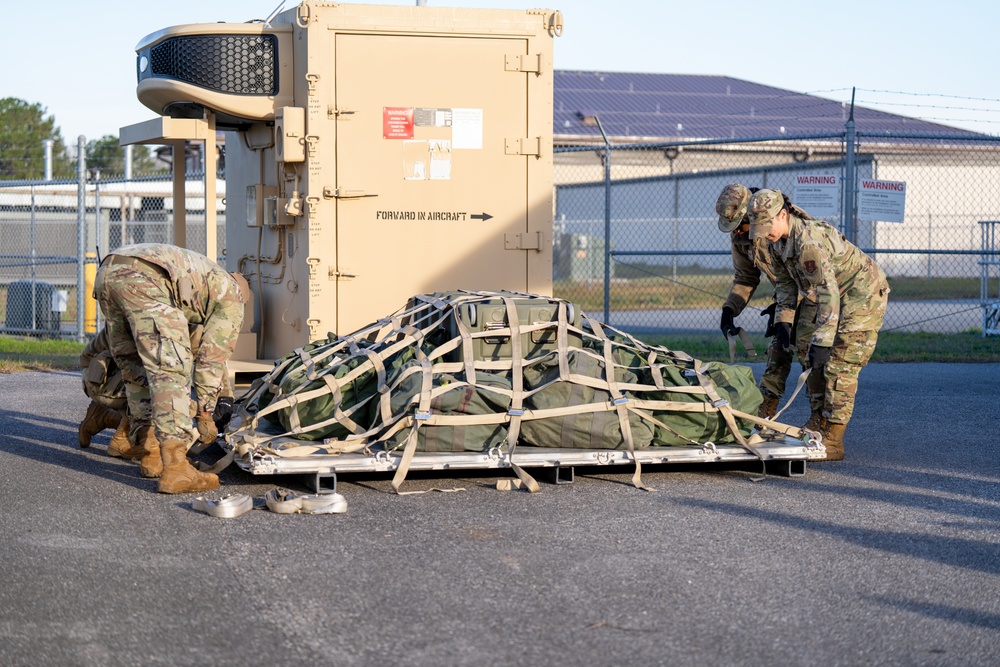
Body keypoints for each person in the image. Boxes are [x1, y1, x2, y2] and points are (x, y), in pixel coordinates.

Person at [94, 243, 248, 493]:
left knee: (135, 369)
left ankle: (149, 452)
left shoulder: (205, 279)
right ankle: (176, 470)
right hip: (145, 277)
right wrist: (206, 414)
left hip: (108, 272)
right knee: (170, 370)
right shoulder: (232, 297)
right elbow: (212, 360)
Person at [747, 189, 889, 461]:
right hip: (830, 295)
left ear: (783, 215)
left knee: (839, 363)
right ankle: (818, 420)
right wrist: (783, 324)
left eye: (766, 225)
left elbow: (828, 293)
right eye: (759, 227)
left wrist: (823, 341)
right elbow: (787, 285)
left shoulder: (807, 243)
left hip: (862, 293)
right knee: (805, 350)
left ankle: (833, 440)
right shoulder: (776, 242)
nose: (763, 233)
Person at [78, 324, 237, 479]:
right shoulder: (147, 311)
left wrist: (225, 397)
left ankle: (106, 419)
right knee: (172, 399)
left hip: (131, 377)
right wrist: (203, 412)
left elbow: (212, 356)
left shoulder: (191, 320)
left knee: (178, 393)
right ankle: (146, 452)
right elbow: (152, 378)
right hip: (103, 378)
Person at [714, 183, 814, 419]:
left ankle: (822, 420)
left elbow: (808, 277)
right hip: (786, 297)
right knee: (778, 351)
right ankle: (762, 417)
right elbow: (746, 277)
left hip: (814, 295)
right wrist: (729, 311)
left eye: (739, 226)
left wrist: (783, 310)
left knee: (808, 355)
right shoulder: (741, 238)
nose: (735, 232)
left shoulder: (783, 226)